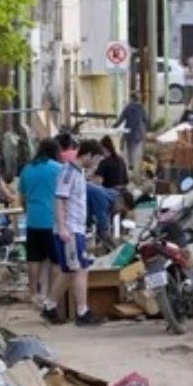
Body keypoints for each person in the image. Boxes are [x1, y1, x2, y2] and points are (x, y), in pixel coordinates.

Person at [41, 139, 104, 326]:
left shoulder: (77, 173)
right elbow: (59, 200)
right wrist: (62, 227)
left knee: (69, 270)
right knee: (79, 269)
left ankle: (50, 306)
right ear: (88, 155)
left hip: (75, 228)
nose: (97, 164)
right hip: (70, 229)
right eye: (96, 159)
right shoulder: (68, 173)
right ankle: (82, 312)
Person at [19, 138, 62, 307]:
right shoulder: (58, 169)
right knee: (56, 260)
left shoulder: (27, 169)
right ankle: (51, 294)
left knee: (34, 259)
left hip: (33, 220)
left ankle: (33, 294)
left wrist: (28, 210)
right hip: (53, 221)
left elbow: (22, 197)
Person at [86, 183, 134, 250]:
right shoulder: (102, 199)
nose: (118, 213)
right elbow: (103, 230)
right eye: (122, 211)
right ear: (122, 201)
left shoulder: (108, 197)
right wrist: (117, 248)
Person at [113, 93, 149, 170]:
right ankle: (135, 165)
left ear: (131, 98)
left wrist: (114, 126)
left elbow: (121, 119)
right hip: (139, 132)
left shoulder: (127, 107)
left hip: (129, 132)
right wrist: (144, 128)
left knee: (130, 149)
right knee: (136, 149)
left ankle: (131, 164)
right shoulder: (141, 108)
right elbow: (146, 119)